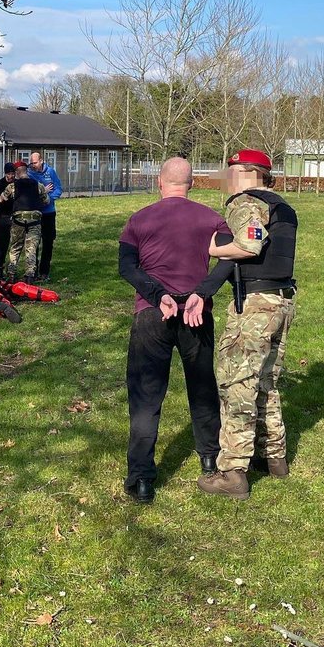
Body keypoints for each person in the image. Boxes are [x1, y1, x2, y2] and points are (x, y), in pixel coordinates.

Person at [183, 148, 298, 501]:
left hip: (255, 306)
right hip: (283, 300)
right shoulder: (283, 207)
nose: (227, 178)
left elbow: (250, 244)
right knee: (266, 381)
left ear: (249, 174)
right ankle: (275, 457)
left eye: (231, 171)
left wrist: (212, 249)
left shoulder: (244, 201)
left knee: (237, 385)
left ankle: (233, 472)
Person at [117, 156, 232, 504]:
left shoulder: (138, 220)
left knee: (146, 396)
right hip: (197, 315)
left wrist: (157, 295)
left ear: (159, 183)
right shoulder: (213, 219)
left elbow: (126, 267)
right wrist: (202, 292)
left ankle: (141, 480)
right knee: (202, 387)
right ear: (192, 183)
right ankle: (210, 460)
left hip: (153, 315)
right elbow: (229, 258)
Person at [0, 162, 49, 282]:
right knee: (31, 248)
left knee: (15, 247)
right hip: (34, 220)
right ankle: (29, 275)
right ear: (26, 171)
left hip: (18, 220)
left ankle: (11, 274)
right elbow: (46, 201)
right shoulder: (38, 185)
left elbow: (2, 199)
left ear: (18, 172)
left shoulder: (12, 186)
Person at [28, 151, 63, 280]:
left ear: (41, 160)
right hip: (36, 213)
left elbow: (58, 188)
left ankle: (44, 272)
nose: (33, 165)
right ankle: (33, 271)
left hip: (49, 213)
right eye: (31, 163)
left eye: (35, 162)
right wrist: (43, 192)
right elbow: (30, 193)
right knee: (34, 243)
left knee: (48, 243)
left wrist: (48, 198)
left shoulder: (51, 172)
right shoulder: (30, 175)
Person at [0, 161, 17, 277]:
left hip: (13, 215)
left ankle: (11, 269)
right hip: (0, 216)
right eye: (9, 174)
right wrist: (5, 197)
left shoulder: (17, 184)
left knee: (13, 244)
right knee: (0, 244)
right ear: (5, 173)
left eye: (13, 173)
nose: (11, 176)